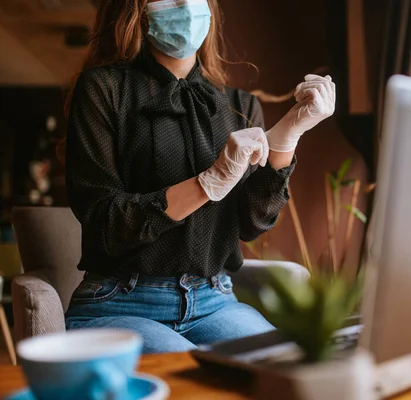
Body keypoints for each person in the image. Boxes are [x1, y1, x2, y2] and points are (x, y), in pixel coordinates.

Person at [63, 0, 336, 354]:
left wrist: (287, 137)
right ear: (139, 9)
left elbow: (251, 224)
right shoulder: (103, 90)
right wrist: (209, 182)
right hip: (120, 301)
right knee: (190, 379)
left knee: (286, 365)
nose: (185, 7)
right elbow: (104, 222)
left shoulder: (239, 105)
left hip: (214, 302)